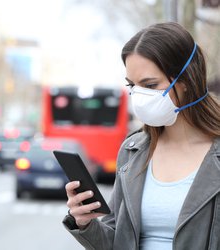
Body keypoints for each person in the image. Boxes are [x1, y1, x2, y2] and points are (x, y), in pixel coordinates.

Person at [62, 22, 220, 250]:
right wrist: (85, 223)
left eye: (150, 84)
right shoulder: (132, 150)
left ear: (185, 80)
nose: (140, 96)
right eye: (132, 85)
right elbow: (116, 241)